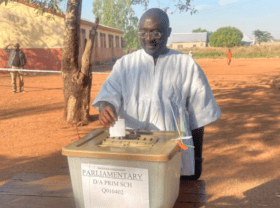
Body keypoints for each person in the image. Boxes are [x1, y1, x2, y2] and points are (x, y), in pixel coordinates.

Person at [92, 8, 221, 180]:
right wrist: (105, 107)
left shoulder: (186, 65)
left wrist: (197, 158)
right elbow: (107, 95)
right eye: (143, 32)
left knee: (178, 201)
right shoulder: (125, 65)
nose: (149, 39)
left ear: (168, 33)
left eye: (156, 32)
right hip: (133, 153)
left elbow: (198, 117)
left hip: (175, 154)